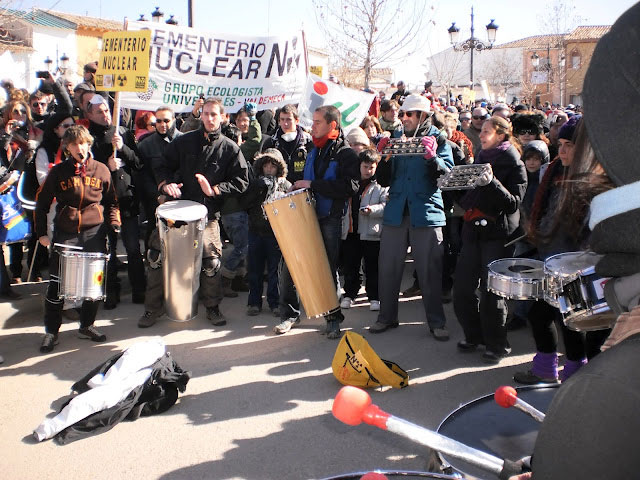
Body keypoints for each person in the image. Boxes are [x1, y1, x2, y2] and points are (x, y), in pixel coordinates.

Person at [154, 98, 250, 326]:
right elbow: (162, 164)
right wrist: (165, 183)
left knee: (211, 263)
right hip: (175, 213)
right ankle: (153, 308)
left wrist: (215, 189)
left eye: (214, 114)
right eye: (205, 114)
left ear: (223, 117)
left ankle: (213, 307)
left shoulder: (230, 148)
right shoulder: (184, 142)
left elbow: (242, 180)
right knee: (156, 257)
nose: (209, 118)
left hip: (208, 215)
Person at [369, 94, 453, 341]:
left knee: (430, 272)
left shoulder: (438, 138)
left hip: (426, 213)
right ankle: (386, 317)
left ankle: (437, 322)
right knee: (388, 269)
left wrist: (432, 157)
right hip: (396, 212)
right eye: (403, 114)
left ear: (423, 116)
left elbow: (448, 176)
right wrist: (383, 157)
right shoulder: (394, 137)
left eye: (409, 114)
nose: (403, 118)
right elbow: (384, 180)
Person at [275, 105, 359, 339]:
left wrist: (312, 185)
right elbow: (309, 180)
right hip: (305, 215)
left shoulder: (346, 153)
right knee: (291, 264)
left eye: (318, 122)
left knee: (326, 269)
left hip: (329, 219)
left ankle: (332, 319)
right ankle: (290, 314)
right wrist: (297, 185)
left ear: (332, 125)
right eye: (313, 121)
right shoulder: (313, 149)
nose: (312, 126)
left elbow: (350, 187)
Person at [35, 125, 120, 353]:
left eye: (83, 143)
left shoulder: (101, 169)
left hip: (94, 231)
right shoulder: (58, 172)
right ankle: (51, 331)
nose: (79, 148)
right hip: (66, 232)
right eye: (74, 144)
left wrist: (114, 221)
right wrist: (42, 233)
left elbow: (112, 200)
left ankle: (87, 325)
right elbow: (41, 204)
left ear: (89, 144)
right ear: (68, 148)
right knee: (58, 284)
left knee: (93, 283)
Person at [453, 116, 527, 363]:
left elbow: (513, 203)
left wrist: (490, 182)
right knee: (462, 289)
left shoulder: (513, 163)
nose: (481, 135)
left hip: (498, 234)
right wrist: (452, 180)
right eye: (481, 131)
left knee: (492, 293)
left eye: (487, 131)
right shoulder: (481, 159)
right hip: (473, 230)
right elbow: (467, 196)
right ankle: (473, 336)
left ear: (502, 135)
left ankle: (497, 344)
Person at [85, 95, 145, 309]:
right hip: (102, 202)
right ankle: (111, 291)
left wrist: (125, 149)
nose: (105, 115)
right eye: (99, 112)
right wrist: (105, 164)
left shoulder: (122, 132)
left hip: (126, 199)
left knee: (132, 248)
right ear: (89, 114)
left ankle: (139, 289)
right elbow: (85, 168)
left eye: (107, 110)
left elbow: (139, 163)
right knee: (106, 251)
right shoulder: (88, 137)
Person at [242, 148, 291, 316]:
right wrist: (256, 189)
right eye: (266, 166)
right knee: (254, 269)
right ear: (261, 167)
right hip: (255, 231)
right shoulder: (255, 183)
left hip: (276, 234)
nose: (269, 169)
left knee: (275, 271)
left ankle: (275, 302)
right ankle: (254, 302)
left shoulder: (285, 185)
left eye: (273, 166)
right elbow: (245, 204)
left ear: (279, 168)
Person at [340, 149, 387, 312]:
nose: (368, 171)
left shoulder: (381, 184)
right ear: (359, 166)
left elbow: (385, 205)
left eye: (371, 167)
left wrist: (372, 210)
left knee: (372, 266)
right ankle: (350, 294)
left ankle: (374, 297)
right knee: (351, 265)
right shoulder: (351, 182)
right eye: (365, 167)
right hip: (351, 231)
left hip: (371, 232)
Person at [261, 104, 314, 185]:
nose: (285, 123)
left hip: (302, 187)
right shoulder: (271, 142)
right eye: (282, 119)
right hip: (279, 188)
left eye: (288, 120)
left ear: (297, 121)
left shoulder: (308, 141)